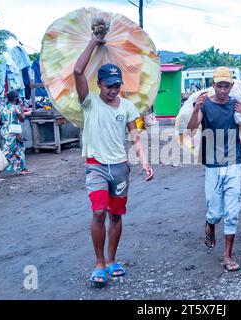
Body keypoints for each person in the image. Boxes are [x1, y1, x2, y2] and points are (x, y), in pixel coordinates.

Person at [74, 33, 154, 285]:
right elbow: (77, 71)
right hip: (96, 166)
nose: (113, 90)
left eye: (117, 85)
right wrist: (94, 42)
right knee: (99, 212)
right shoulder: (89, 103)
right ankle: (98, 263)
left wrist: (144, 161)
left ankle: (111, 260)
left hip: (120, 167)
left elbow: (135, 138)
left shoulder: (128, 107)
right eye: (108, 85)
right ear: (99, 84)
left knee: (116, 215)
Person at [187, 67, 241, 272]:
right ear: (213, 85)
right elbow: (192, 128)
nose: (222, 89)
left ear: (231, 86)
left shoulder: (237, 105)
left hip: (234, 164)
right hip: (212, 165)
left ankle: (227, 255)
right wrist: (195, 110)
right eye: (219, 85)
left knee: (233, 211)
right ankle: (210, 223)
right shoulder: (204, 104)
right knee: (215, 212)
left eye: (226, 85)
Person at [0, 91, 32, 175]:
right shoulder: (16, 108)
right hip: (13, 132)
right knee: (7, 151)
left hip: (6, 131)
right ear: (16, 98)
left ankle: (22, 169)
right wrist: (21, 107)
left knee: (19, 149)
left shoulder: (3, 108)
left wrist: (6, 124)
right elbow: (22, 119)